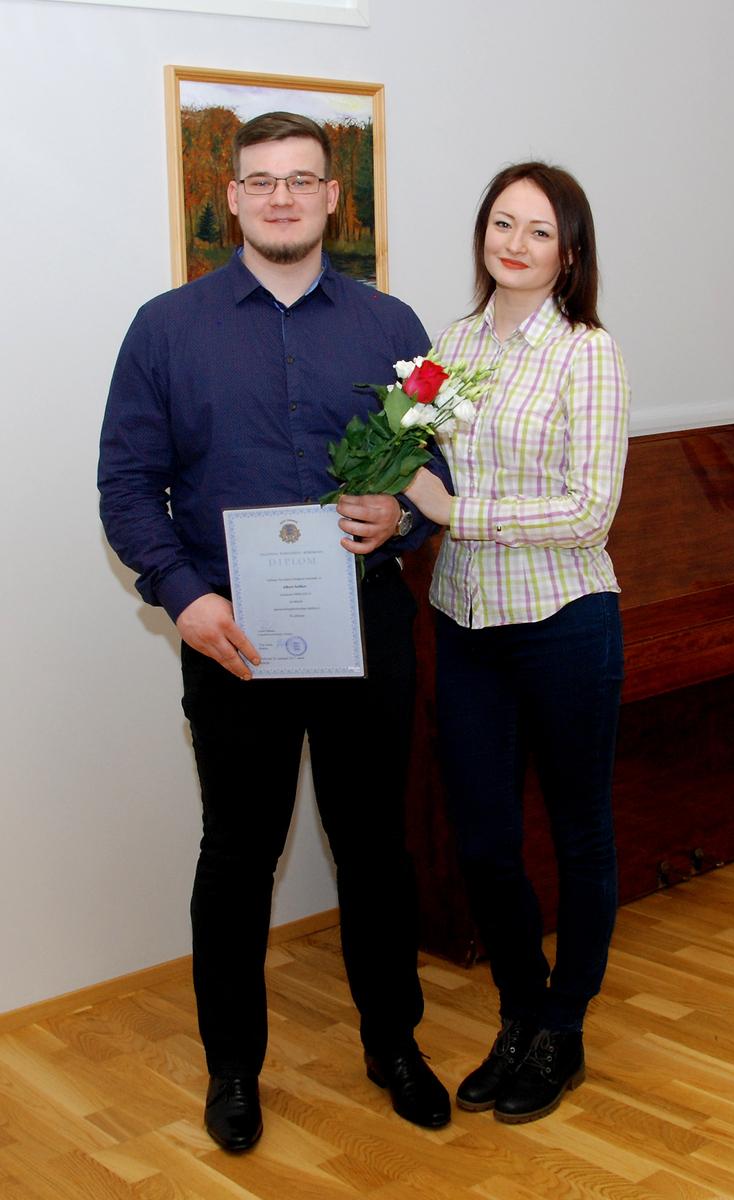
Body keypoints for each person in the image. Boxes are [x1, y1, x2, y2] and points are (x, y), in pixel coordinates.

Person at [98, 111, 451, 1152]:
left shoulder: (391, 325)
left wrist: (399, 516)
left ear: (334, 197)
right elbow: (127, 487)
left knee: (374, 850)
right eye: (262, 181)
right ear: (233, 199)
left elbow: (437, 470)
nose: (283, 197)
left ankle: (394, 1045)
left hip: (366, 626)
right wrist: (182, 596)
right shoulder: (167, 329)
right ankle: (232, 1071)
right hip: (230, 638)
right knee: (236, 857)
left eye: (302, 179)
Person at [404, 161, 629, 1124]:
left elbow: (589, 511)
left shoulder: (589, 353)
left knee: (579, 834)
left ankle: (564, 1029)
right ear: (483, 233)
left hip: (563, 622)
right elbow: (417, 461)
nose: (517, 244)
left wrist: (458, 511)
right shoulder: (450, 345)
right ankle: (520, 1012)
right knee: (486, 842)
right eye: (504, 223)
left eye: (540, 231)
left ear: (569, 253)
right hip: (465, 623)